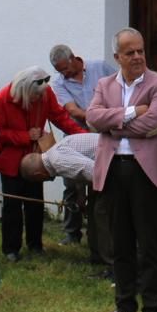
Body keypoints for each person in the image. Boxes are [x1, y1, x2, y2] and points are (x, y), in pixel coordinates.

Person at [89, 28, 157, 312]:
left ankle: (153, 309)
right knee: (121, 242)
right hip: (114, 169)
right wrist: (132, 112)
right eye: (130, 53)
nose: (137, 57)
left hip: (147, 173)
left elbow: (155, 121)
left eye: (140, 50)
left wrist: (113, 123)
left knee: (150, 242)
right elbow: (92, 117)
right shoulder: (105, 84)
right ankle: (124, 305)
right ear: (117, 57)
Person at [0, 68, 85, 261]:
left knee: (35, 202)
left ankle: (35, 245)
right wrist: (25, 136)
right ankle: (11, 248)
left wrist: (84, 136)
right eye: (34, 95)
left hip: (36, 158)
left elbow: (59, 117)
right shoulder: (2, 99)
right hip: (10, 159)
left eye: (40, 95)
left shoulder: (45, 92)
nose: (38, 98)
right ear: (24, 90)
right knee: (12, 204)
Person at [49, 44, 118, 252]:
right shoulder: (59, 83)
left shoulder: (100, 67)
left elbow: (119, 88)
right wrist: (95, 117)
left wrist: (107, 118)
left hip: (107, 132)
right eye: (59, 71)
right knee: (72, 184)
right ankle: (72, 231)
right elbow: (71, 110)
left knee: (104, 181)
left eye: (65, 68)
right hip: (76, 133)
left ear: (73, 58)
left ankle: (101, 232)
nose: (64, 73)